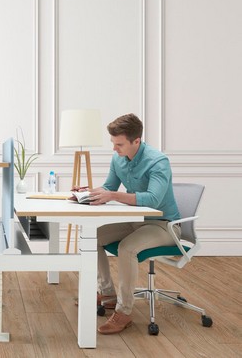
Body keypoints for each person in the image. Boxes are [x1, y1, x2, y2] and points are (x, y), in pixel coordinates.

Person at [72, 113, 180, 334]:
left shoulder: (158, 162)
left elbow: (153, 200)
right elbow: (109, 186)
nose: (115, 149)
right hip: (135, 222)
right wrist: (90, 192)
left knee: (126, 248)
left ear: (136, 141)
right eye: (113, 143)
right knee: (92, 237)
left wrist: (113, 196)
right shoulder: (118, 159)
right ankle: (108, 294)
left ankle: (124, 312)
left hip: (163, 225)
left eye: (119, 144)